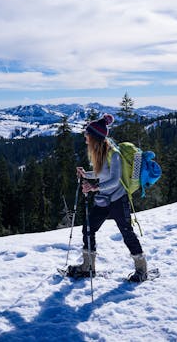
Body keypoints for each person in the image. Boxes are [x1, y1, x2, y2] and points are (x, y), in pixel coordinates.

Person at [67, 113, 148, 282]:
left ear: (95, 137)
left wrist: (94, 187)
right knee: (88, 228)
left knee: (126, 232)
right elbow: (101, 174)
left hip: (118, 198)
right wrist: (87, 175)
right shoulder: (99, 152)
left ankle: (142, 269)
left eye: (87, 135)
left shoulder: (114, 154)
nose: (85, 137)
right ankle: (88, 267)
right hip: (104, 198)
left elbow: (114, 179)